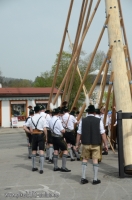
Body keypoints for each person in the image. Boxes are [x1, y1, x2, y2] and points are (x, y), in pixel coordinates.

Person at [76, 105, 108, 185]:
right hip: (96, 143)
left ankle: (83, 177)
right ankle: (95, 178)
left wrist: (77, 144)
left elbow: (79, 133)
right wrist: (106, 144)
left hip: (85, 143)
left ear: (87, 112)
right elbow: (103, 133)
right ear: (94, 112)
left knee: (85, 159)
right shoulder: (98, 120)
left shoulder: (83, 120)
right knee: (95, 160)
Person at [24, 105, 47, 174]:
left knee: (34, 150)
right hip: (40, 134)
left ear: (34, 111)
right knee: (41, 151)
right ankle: (41, 169)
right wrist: (46, 136)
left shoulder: (31, 118)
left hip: (34, 135)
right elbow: (45, 129)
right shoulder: (42, 118)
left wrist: (30, 132)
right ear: (39, 111)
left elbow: (24, 127)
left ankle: (34, 167)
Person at [49, 108, 71, 172]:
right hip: (59, 137)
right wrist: (64, 130)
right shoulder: (58, 120)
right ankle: (63, 167)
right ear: (58, 113)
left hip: (53, 137)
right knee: (65, 150)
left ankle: (55, 167)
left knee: (56, 151)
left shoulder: (50, 120)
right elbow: (62, 130)